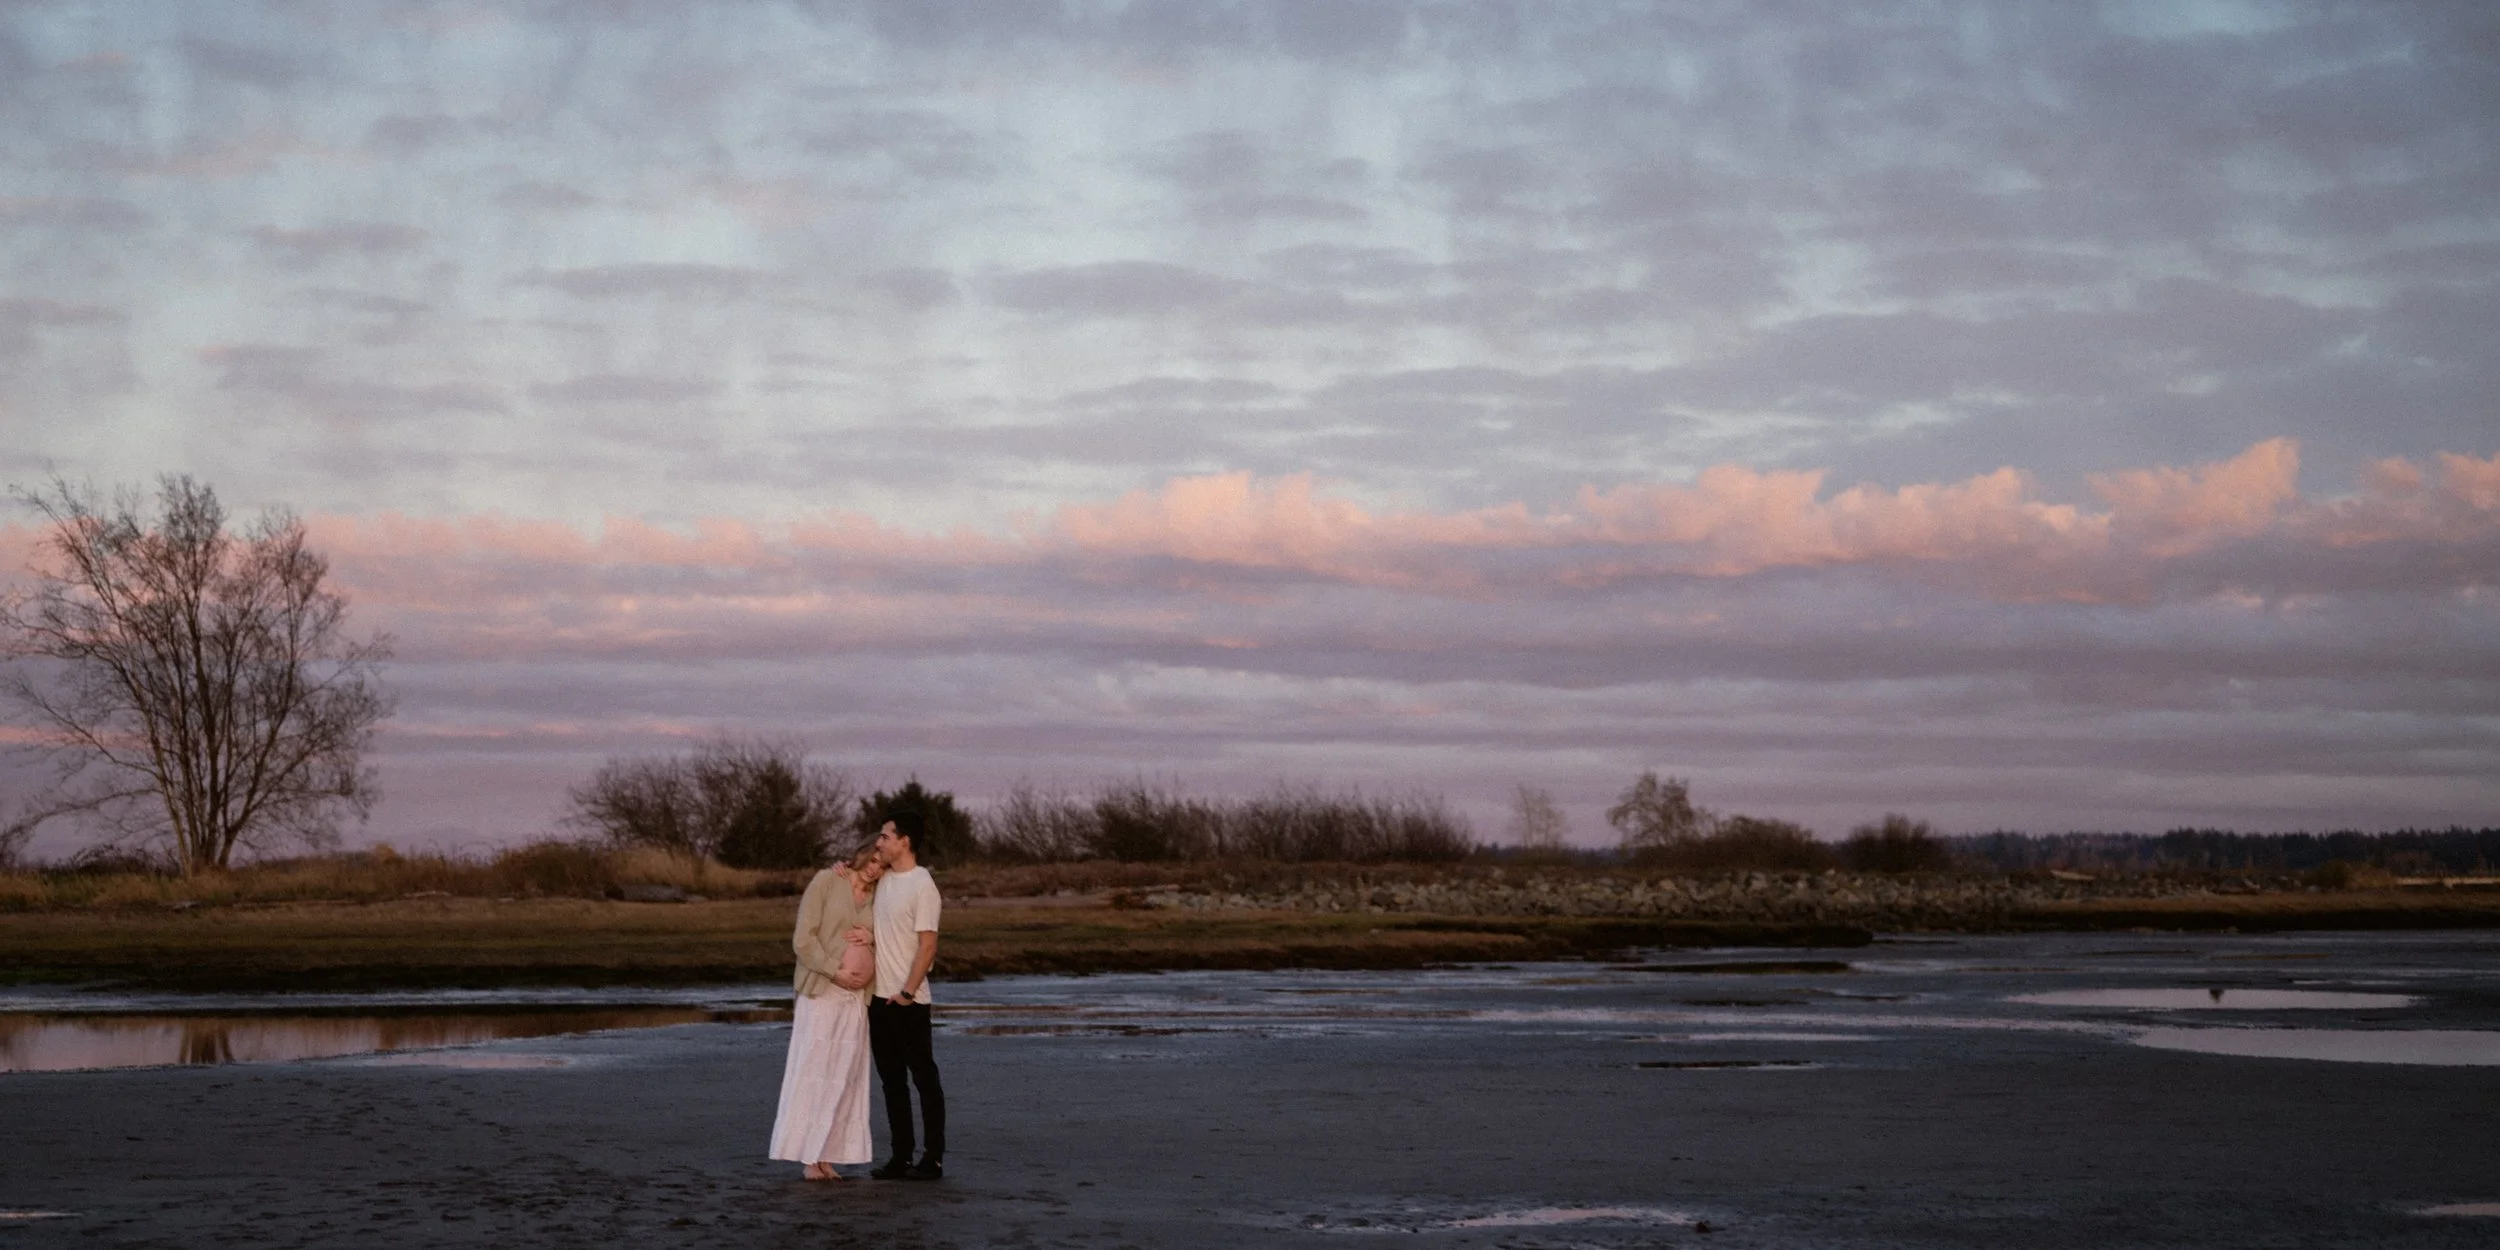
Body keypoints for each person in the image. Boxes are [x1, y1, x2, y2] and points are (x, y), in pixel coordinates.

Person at [768, 845, 883, 1180]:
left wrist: (872, 936)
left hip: (855, 998)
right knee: (815, 1069)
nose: (874, 868)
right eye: (872, 860)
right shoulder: (827, 881)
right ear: (861, 854)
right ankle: (808, 1157)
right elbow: (803, 939)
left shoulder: (879, 896)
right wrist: (835, 970)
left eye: (882, 864)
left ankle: (828, 1156)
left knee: (844, 1076)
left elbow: (892, 937)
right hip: (823, 989)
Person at [867, 816, 945, 1180]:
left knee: (924, 1078)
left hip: (909, 1001)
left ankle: (933, 1158)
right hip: (879, 1000)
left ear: (905, 841)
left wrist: (907, 992)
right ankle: (900, 1156)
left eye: (885, 836)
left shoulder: (923, 885)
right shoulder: (883, 880)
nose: (879, 842)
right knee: (891, 1081)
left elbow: (928, 946)